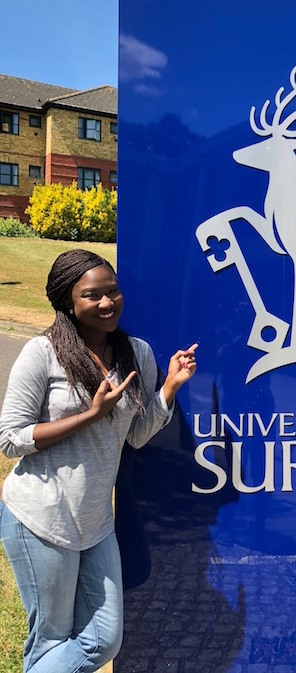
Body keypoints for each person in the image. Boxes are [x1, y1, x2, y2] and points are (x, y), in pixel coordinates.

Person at [0, 249, 197, 672]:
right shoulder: (42, 354)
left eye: (113, 292)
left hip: (96, 522)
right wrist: (90, 414)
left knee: (104, 639)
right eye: (93, 295)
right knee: (51, 638)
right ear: (67, 302)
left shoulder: (137, 354)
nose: (108, 303)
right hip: (40, 516)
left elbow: (138, 437)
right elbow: (10, 440)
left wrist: (168, 390)